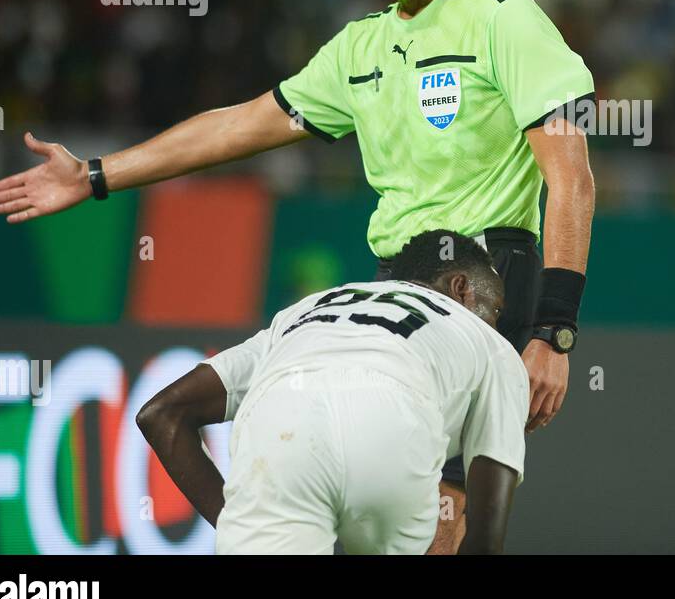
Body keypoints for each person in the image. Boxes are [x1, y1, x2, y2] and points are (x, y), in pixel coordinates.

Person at [0, 0, 596, 552]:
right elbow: (237, 126)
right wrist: (95, 175)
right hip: (393, 289)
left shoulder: (504, 18)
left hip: (484, 287)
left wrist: (553, 330)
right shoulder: (358, 49)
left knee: (443, 517)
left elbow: (571, 179)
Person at [137, 230, 528, 554]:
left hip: (278, 435)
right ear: (459, 288)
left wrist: (246, 521)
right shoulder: (493, 346)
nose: (494, 323)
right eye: (493, 309)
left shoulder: (308, 310)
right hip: (391, 430)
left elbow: (161, 414)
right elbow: (485, 531)